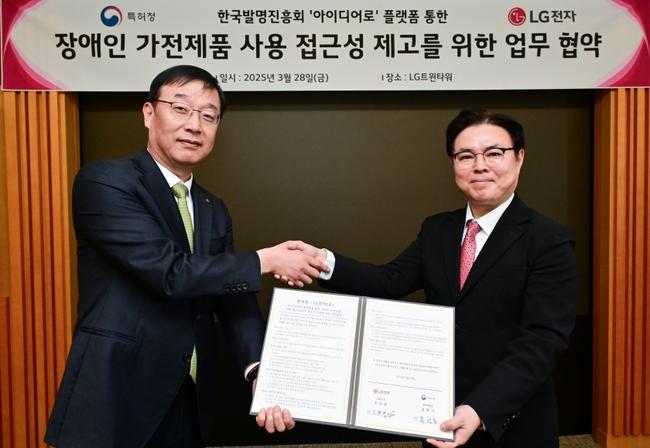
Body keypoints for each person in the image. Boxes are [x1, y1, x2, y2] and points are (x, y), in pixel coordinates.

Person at [44, 65, 322, 448]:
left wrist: (261, 370)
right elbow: (170, 273)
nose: (194, 125)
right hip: (116, 400)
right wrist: (267, 260)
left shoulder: (213, 208)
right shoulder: (105, 182)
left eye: (208, 115)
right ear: (148, 113)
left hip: (190, 401)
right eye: (180, 109)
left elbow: (232, 299)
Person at [287, 110, 577, 448]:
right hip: (439, 414)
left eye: (494, 153)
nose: (480, 166)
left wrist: (480, 408)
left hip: (512, 420)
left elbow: (543, 340)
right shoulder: (437, 229)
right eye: (465, 156)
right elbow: (389, 280)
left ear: (519, 157)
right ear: (453, 163)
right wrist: (323, 262)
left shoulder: (549, 240)